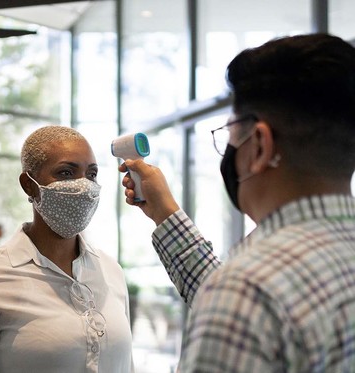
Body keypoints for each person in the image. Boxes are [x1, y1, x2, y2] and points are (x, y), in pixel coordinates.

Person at [119, 33, 355, 372]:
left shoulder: (247, 289)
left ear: (259, 145)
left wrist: (228, 289)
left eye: (230, 135)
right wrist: (165, 213)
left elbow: (242, 300)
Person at [0, 126, 133, 372]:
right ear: (29, 185)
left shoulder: (111, 271)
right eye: (66, 173)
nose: (83, 187)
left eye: (92, 175)